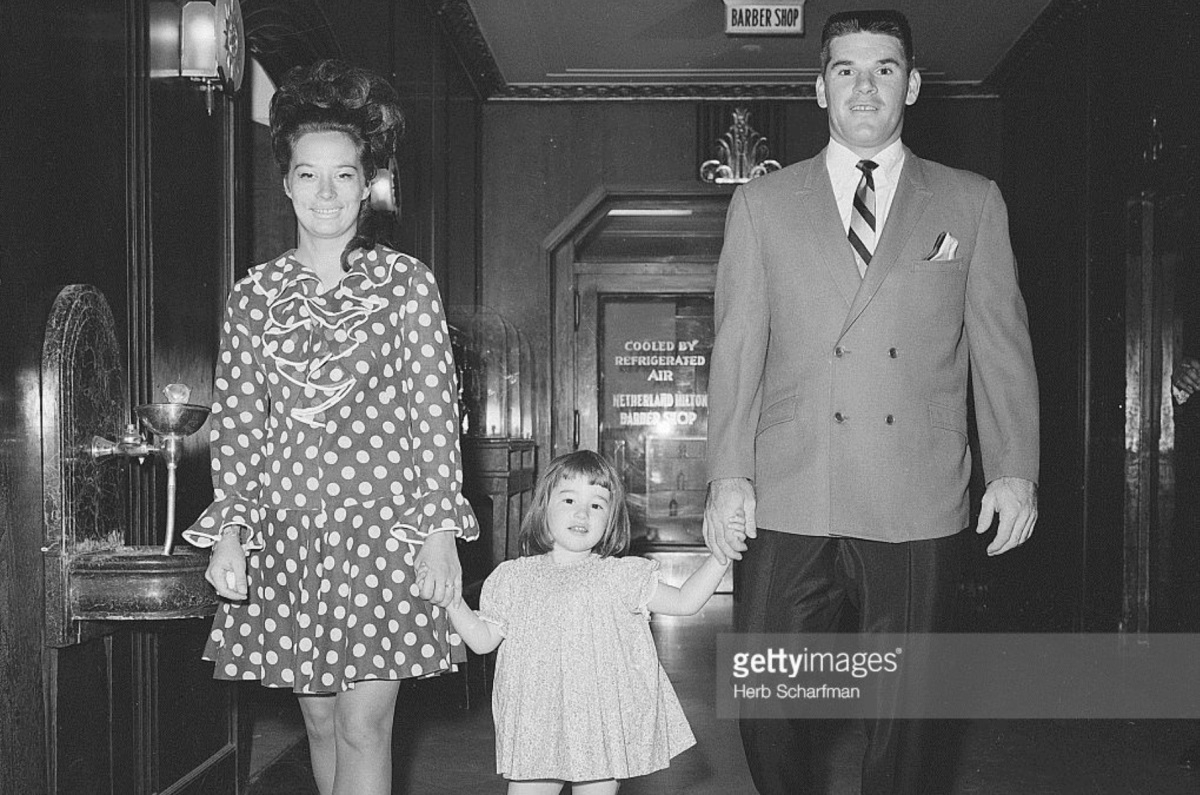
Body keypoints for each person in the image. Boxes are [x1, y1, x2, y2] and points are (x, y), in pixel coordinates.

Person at [703, 9, 1040, 795]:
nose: (865, 86)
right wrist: (727, 474)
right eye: (847, 69)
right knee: (769, 702)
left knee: (908, 717)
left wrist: (1015, 467)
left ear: (912, 85)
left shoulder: (972, 201)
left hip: (917, 492)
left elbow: (1001, 347)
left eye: (884, 69)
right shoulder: (760, 205)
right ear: (819, 85)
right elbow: (737, 349)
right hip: (791, 486)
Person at [182, 59, 478, 795]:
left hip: (386, 536)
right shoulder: (254, 296)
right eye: (308, 175)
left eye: (343, 175)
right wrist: (231, 531)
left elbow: (435, 414)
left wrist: (439, 529)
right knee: (318, 725)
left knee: (361, 725)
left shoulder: (406, 283)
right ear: (286, 183)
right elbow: (241, 424)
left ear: (366, 185)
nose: (325, 192)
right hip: (288, 540)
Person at [441, 450, 730, 794]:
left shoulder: (620, 577)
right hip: (536, 729)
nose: (582, 512)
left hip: (598, 729)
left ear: (611, 518)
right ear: (543, 506)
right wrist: (451, 601)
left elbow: (685, 601)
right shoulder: (514, 579)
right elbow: (483, 640)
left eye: (597, 504)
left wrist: (722, 555)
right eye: (568, 499)